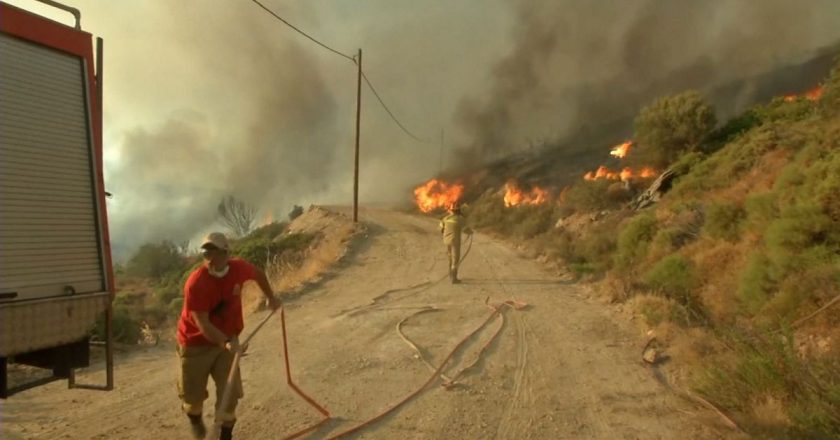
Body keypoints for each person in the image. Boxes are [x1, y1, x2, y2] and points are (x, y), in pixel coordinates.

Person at [176, 232, 281, 440]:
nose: (210, 258)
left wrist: (271, 297)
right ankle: (195, 420)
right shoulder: (196, 283)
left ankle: (225, 436)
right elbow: (203, 324)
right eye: (206, 253)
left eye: (215, 252)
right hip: (195, 343)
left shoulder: (239, 268)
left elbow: (258, 274)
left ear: (226, 253)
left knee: (230, 395)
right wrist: (225, 343)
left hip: (227, 339)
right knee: (192, 399)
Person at [439, 203, 473, 284]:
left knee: (450, 257)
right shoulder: (460, 219)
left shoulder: (446, 218)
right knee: (455, 259)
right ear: (459, 211)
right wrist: (471, 232)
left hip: (446, 241)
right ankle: (454, 279)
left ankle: (451, 275)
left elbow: (441, 228)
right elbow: (465, 230)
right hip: (455, 241)